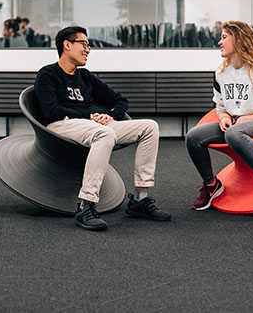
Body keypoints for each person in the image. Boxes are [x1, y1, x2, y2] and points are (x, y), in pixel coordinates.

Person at [34, 26, 171, 231]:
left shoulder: (85, 77)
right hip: (62, 124)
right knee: (105, 133)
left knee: (149, 127)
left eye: (89, 46)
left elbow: (120, 100)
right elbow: (50, 110)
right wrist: (89, 116)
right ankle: (86, 204)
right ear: (67, 44)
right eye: (84, 44)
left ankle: (141, 199)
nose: (88, 49)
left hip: (93, 126)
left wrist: (111, 116)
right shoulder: (48, 74)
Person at [184, 20, 253, 220]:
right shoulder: (221, 73)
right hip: (236, 125)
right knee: (194, 136)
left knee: (235, 133)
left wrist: (245, 118)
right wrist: (225, 116)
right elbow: (220, 106)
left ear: (239, 40)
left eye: (224, 37)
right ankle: (211, 186)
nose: (220, 42)